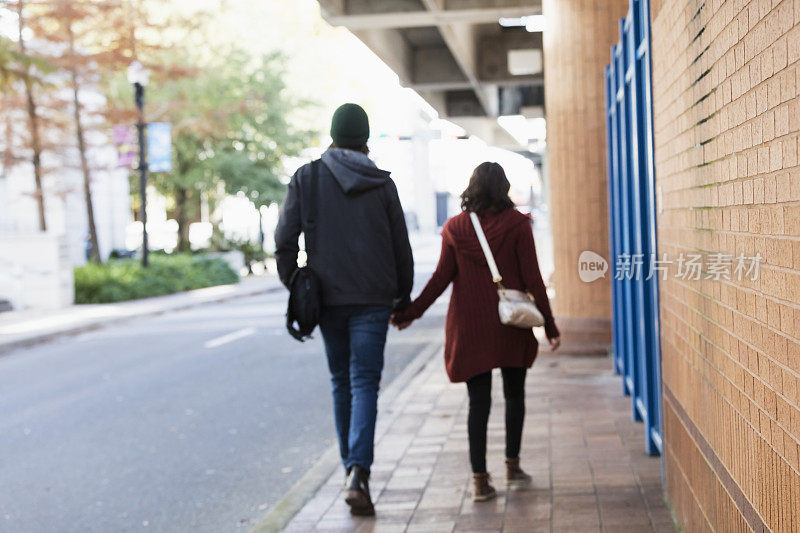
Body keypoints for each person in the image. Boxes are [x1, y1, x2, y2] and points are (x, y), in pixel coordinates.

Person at [274, 103, 414, 516]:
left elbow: (284, 240)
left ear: (333, 135)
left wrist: (297, 285)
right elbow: (400, 246)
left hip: (328, 300)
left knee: (341, 381)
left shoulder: (308, 178)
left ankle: (349, 468)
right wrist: (401, 296)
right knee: (366, 382)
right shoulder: (382, 183)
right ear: (365, 138)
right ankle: (359, 472)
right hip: (373, 298)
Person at [391, 161, 560, 501]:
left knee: (477, 403)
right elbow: (533, 280)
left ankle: (480, 481)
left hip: (469, 326)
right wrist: (550, 326)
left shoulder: (455, 228)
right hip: (509, 323)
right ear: (503, 188)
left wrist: (411, 312)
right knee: (515, 395)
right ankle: (513, 467)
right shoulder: (517, 225)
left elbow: (441, 278)